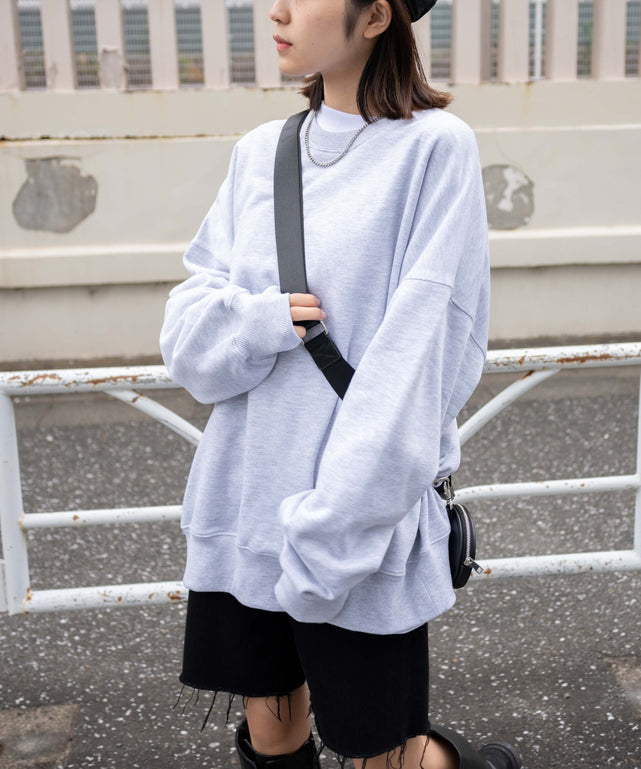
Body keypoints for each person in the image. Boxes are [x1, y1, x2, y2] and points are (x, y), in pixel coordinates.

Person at [160, 1, 523, 768]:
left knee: (375, 748)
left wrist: (330, 537)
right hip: (246, 505)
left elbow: (418, 362)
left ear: (376, 16)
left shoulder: (433, 149)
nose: (278, 10)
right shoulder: (260, 152)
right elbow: (188, 340)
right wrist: (260, 320)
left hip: (355, 522)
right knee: (271, 734)